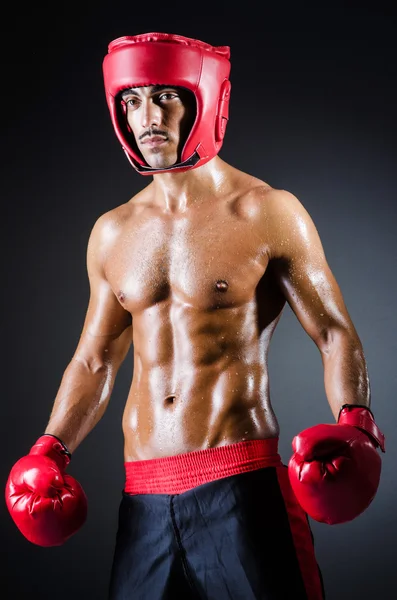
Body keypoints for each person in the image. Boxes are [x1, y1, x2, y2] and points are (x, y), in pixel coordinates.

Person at [5, 32, 386, 600]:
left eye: (165, 96)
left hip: (240, 489)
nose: (147, 117)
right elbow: (94, 359)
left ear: (205, 100)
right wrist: (48, 449)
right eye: (131, 100)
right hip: (144, 503)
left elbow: (334, 333)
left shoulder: (266, 212)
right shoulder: (113, 232)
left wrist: (356, 422)